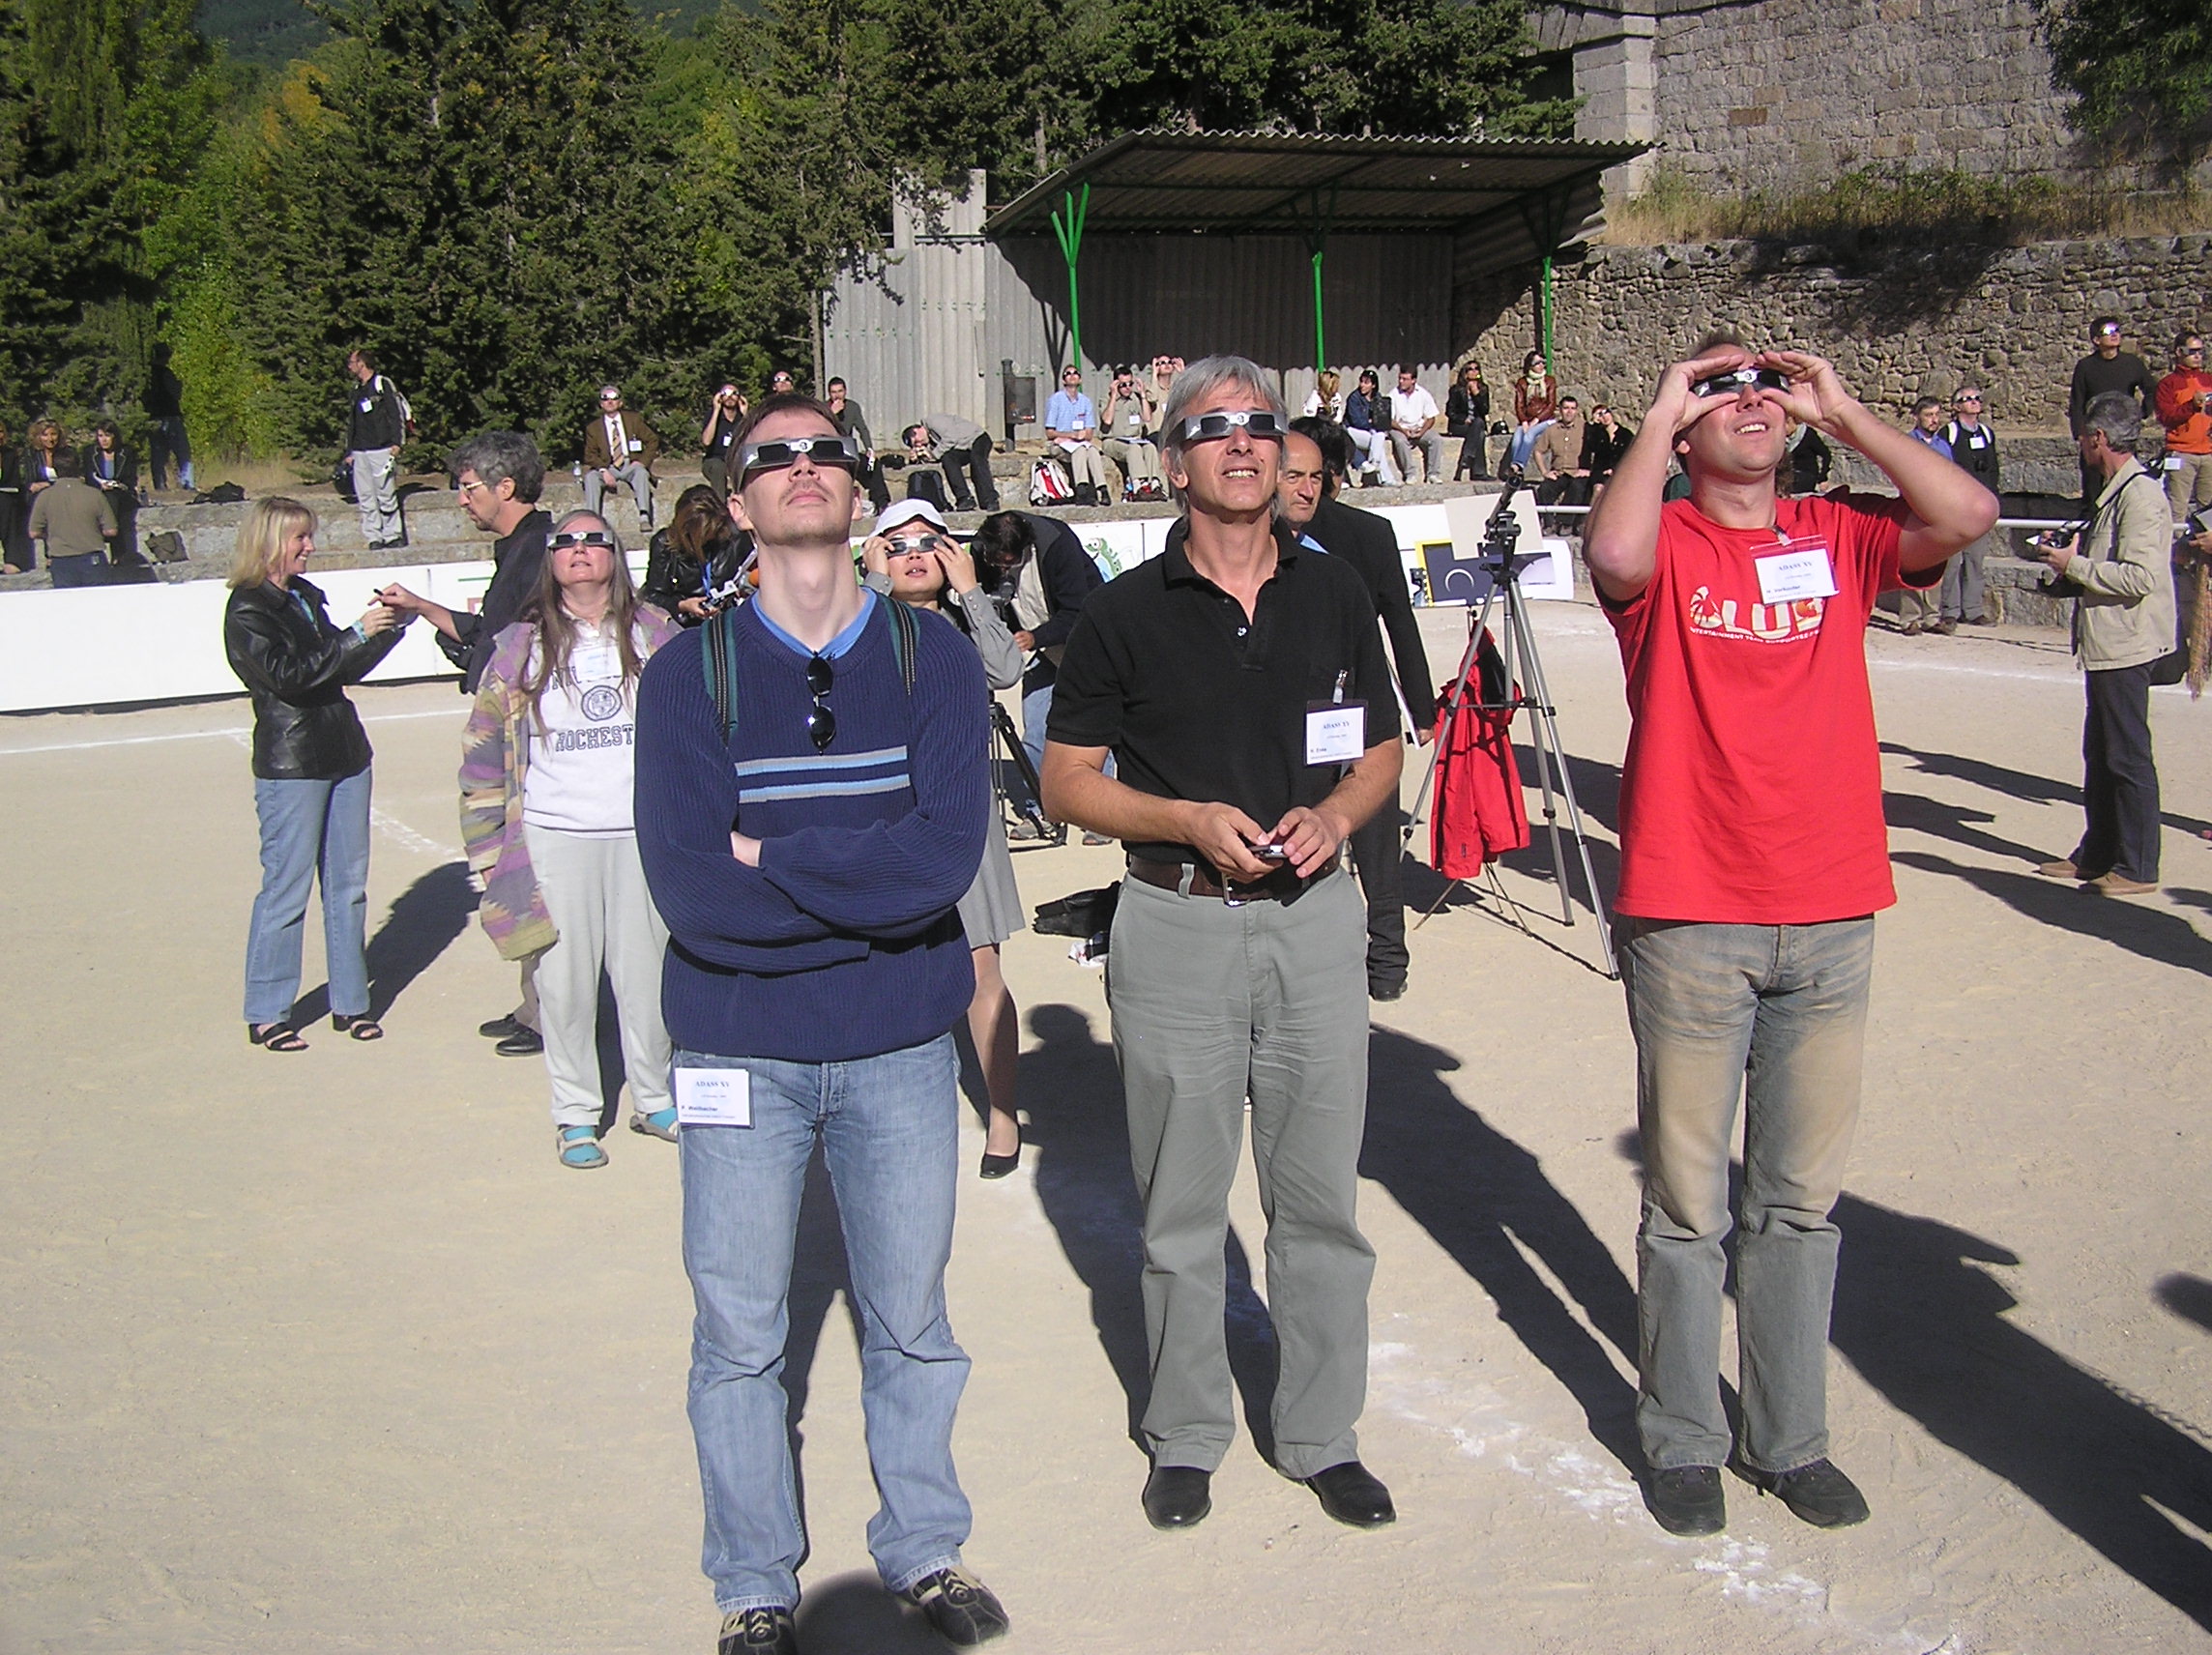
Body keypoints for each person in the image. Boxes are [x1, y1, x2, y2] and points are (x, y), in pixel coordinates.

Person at [1581, 336, 1997, 1538]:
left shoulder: (1836, 531)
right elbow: (1612, 556)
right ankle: (1681, 1438)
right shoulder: (1664, 538)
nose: (1749, 401)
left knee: (1797, 1203)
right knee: (1685, 1204)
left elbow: (1964, 513)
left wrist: (1845, 411)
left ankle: (1786, 1437)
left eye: (1763, 386)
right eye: (1718, 389)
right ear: (1683, 424)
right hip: (1691, 911)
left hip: (1828, 909)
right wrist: (1659, 412)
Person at [632, 392, 1006, 1654]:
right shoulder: (688, 673)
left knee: (911, 1319)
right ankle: (753, 1585)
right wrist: (865, 894)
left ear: (856, 490)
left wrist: (772, 857)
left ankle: (925, 1548)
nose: (803, 466)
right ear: (738, 501)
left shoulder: (930, 657)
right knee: (740, 1334)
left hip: (898, 1049)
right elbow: (692, 892)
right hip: (740, 1048)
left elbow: (942, 864)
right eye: (773, 456)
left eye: (825, 452)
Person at [1041, 355, 1405, 1535]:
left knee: (1319, 1205)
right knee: (1181, 1210)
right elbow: (1064, 780)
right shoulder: (1121, 612)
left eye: (1259, 423)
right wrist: (1183, 819)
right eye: (1213, 427)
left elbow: (1380, 750)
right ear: (1171, 460)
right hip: (1175, 924)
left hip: (1314, 924)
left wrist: (1336, 817)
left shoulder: (1334, 588)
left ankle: (1318, 1432)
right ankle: (1187, 1431)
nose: (1242, 442)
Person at [460, 511, 682, 1168]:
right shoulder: (518, 645)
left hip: (642, 834)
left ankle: (654, 1098)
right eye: (566, 542)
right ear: (550, 559)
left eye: (593, 540)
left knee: (647, 979)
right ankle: (576, 1114)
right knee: (563, 985)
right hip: (556, 836)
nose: (579, 551)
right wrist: (487, 850)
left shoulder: (657, 634)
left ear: (615, 554)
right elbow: (482, 752)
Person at [375, 431, 556, 1059]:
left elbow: (520, 648)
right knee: (518, 868)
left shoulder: (540, 551)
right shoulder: (522, 548)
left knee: (529, 871)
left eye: (469, 487)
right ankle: (536, 1004)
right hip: (514, 731)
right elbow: (491, 637)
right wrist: (423, 608)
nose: (461, 499)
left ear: (506, 487)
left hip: (531, 738)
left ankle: (550, 1012)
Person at [863, 499, 1028, 1176]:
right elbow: (844, 671)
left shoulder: (963, 624)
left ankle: (1002, 1115)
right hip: (885, 816)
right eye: (896, 544)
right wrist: (871, 588)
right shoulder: (859, 622)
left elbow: (1006, 671)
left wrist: (970, 592)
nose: (913, 556)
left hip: (962, 812)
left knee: (982, 967)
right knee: (885, 966)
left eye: (928, 542)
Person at [223, 497, 411, 1052]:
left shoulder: (304, 597)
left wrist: (385, 630)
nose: (309, 546)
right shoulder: (247, 609)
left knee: (348, 887)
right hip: (292, 762)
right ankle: (267, 1011)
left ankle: (351, 1002)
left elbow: (340, 668)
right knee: (286, 888)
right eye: (299, 537)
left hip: (344, 752)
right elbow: (291, 677)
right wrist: (355, 632)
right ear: (269, 542)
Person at [1288, 416, 1438, 999]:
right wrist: (1422, 708)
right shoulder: (1372, 532)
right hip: (1362, 702)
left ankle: (1322, 958)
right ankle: (1388, 961)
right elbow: (1402, 627)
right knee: (1376, 841)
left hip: (1305, 707)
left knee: (1305, 827)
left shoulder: (1272, 533)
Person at [2027, 391, 2176, 898]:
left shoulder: (2141, 496)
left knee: (2127, 756)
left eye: (2085, 436)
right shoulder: (2119, 490)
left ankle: (2137, 865)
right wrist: (2065, 572)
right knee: (2101, 753)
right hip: (2109, 641)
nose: (2081, 444)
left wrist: (2073, 564)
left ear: (2099, 437)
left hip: (2126, 643)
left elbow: (2139, 577)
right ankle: (2098, 853)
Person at [970, 508, 1102, 838]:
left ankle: (1098, 814)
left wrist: (1035, 637)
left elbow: (1078, 610)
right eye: (996, 562)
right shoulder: (981, 550)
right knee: (1036, 727)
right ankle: (1041, 809)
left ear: (1026, 548)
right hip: (1037, 652)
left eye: (1009, 562)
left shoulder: (1057, 544)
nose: (1002, 568)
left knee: (1094, 728)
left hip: (1082, 642)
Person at [2069, 317, 2154, 508]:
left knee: (2125, 481)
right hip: (2095, 434)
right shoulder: (2086, 366)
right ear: (2096, 339)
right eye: (2108, 331)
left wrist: (2141, 414)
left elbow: (2152, 390)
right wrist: (2080, 433)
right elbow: (2077, 402)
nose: (2114, 334)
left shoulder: (2132, 363)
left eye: (2117, 330)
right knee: (2093, 488)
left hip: (2122, 433)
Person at [644, 483, 753, 624]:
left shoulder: (734, 537)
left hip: (728, 617)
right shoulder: (665, 544)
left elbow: (752, 573)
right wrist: (682, 605)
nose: (708, 535)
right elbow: (652, 596)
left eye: (714, 528)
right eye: (703, 531)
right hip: (686, 623)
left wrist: (742, 589)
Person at [1938, 386, 1999, 627]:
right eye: (1968, 399)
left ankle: (1973, 610)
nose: (1974, 402)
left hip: (1979, 508)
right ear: (1956, 406)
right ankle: (1949, 610)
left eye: (1977, 398)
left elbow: (1993, 468)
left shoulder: (1986, 433)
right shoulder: (1949, 433)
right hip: (1956, 507)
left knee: (1975, 560)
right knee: (1952, 562)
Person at [1897, 399, 1955, 636]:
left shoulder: (1943, 446)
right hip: (1913, 508)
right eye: (1929, 415)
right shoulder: (1907, 444)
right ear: (1917, 417)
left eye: (1937, 415)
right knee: (1911, 563)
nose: (1934, 419)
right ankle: (1909, 618)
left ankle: (1932, 617)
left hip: (1938, 510)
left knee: (1935, 561)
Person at [344, 348, 409, 550]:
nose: (349, 366)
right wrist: (349, 450)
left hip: (381, 448)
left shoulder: (382, 384)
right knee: (365, 496)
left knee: (385, 493)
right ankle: (374, 536)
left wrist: (397, 442)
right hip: (360, 451)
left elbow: (396, 413)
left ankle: (393, 534)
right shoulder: (356, 389)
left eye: (352, 362)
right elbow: (352, 422)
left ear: (361, 363)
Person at [26, 450, 117, 586]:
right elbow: (111, 531)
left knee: (67, 598)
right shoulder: (95, 494)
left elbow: (34, 532)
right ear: (78, 468)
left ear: (55, 470)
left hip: (61, 560)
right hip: (92, 557)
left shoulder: (45, 497)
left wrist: (53, 534)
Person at [581, 385, 660, 530]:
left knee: (641, 473)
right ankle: (593, 521)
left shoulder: (633, 420)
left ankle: (644, 516)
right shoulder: (593, 428)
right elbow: (590, 454)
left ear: (620, 402)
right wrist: (603, 470)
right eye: (605, 399)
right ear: (601, 404)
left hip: (630, 464)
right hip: (608, 466)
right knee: (591, 478)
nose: (610, 402)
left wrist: (642, 462)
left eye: (614, 398)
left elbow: (652, 440)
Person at [2154, 330, 2211, 525]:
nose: (2197, 356)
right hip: (2181, 453)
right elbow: (2166, 417)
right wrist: (2191, 406)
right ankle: (2174, 545)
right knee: (2177, 508)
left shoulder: (2208, 380)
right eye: (2192, 351)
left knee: (2208, 511)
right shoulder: (2168, 384)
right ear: (2179, 352)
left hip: (2208, 452)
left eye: (2201, 351)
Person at [1044, 365, 1112, 506]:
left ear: (1080, 379)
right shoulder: (1055, 400)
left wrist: (1081, 436)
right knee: (1080, 450)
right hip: (1059, 444)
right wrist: (1071, 435)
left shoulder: (1085, 402)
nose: (1072, 375)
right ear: (1064, 380)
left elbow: (1089, 433)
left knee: (1092, 450)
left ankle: (1102, 489)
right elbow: (1049, 432)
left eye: (1075, 373)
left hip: (1079, 443)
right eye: (1068, 373)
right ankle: (1082, 490)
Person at [906, 412, 1000, 512]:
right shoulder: (931, 441)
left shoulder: (932, 421)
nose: (919, 444)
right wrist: (918, 459)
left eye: (916, 441)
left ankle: (990, 500)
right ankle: (964, 498)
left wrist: (933, 454)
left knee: (977, 460)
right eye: (915, 445)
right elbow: (938, 455)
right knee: (948, 459)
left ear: (918, 430)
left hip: (977, 438)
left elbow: (951, 438)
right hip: (963, 448)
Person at [825, 378, 891, 512]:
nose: (837, 396)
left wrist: (869, 448)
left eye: (840, 391)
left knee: (872, 465)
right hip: (829, 452)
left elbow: (862, 429)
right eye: (833, 392)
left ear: (845, 391)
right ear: (829, 394)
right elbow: (821, 431)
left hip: (848, 452)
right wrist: (832, 414)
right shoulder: (824, 409)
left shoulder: (852, 407)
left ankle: (882, 503)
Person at [81, 421, 142, 566]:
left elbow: (130, 478)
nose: (104, 440)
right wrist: (100, 485)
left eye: (107, 436)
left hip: (121, 493)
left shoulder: (126, 452)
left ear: (114, 436)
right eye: (100, 436)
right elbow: (89, 476)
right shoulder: (90, 452)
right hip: (98, 491)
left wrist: (117, 485)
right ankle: (114, 547)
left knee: (113, 499)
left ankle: (113, 541)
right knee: (106, 500)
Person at [1102, 365, 1166, 499]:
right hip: (1113, 440)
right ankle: (1138, 486)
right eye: (1123, 385)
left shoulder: (1135, 398)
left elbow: (1147, 417)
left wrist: (1143, 395)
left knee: (1150, 448)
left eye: (1130, 384)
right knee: (1134, 449)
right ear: (1116, 384)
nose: (1127, 388)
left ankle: (1155, 484)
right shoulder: (1107, 399)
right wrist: (1113, 396)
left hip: (1135, 439)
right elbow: (1107, 420)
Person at [145, 342, 193, 492]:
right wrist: (179, 385)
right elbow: (176, 393)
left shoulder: (146, 375)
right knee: (183, 453)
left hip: (153, 417)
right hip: (170, 416)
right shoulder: (166, 373)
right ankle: (187, 483)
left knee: (158, 455)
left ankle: (160, 485)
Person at [1386, 365, 1444, 485]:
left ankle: (1433, 474)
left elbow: (1431, 417)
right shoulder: (1393, 395)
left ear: (1413, 380)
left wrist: (1421, 431)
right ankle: (1410, 474)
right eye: (1400, 378)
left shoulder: (1423, 394)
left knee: (1436, 439)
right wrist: (1404, 431)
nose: (1401, 381)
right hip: (1399, 428)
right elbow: (1390, 420)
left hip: (1418, 427)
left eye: (1405, 379)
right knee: (1400, 441)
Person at [1532, 393, 1592, 505]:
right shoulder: (1552, 430)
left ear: (1576, 411)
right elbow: (1538, 451)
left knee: (1576, 490)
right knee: (1544, 490)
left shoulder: (1586, 428)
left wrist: (1590, 471)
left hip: (1578, 473)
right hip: (1559, 474)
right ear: (1560, 410)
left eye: (1572, 408)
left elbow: (1599, 450)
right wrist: (1545, 472)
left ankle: (1565, 517)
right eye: (1566, 408)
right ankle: (1547, 517)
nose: (1569, 412)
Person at [1342, 369, 1397, 485]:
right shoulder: (1354, 398)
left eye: (1366, 383)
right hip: (1352, 431)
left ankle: (1375, 464)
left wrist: (1375, 423)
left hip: (1371, 431)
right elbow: (1357, 422)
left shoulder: (1377, 397)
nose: (1362, 385)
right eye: (1361, 382)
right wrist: (1372, 423)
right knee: (1378, 442)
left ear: (1373, 385)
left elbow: (1381, 417)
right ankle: (1386, 477)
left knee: (1380, 436)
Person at [1508, 350, 1558, 472]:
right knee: (1517, 439)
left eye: (1543, 363)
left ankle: (1518, 464)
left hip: (1546, 419)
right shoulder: (1523, 382)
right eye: (1537, 363)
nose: (1541, 365)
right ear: (1530, 365)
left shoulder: (1549, 381)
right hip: (1528, 419)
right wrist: (1524, 421)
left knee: (1529, 435)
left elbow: (1551, 404)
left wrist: (1537, 420)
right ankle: (1516, 471)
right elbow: (1519, 405)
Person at [700, 384, 748, 496]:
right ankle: (720, 503)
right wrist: (716, 411)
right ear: (720, 397)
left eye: (734, 394)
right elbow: (706, 441)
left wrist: (745, 415)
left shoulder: (742, 418)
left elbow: (752, 439)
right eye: (725, 393)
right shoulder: (713, 416)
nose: (730, 397)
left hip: (735, 460)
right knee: (718, 467)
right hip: (714, 460)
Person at [1582, 401, 1635, 502]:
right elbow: (1590, 446)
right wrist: (1594, 424)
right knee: (1598, 489)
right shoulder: (1597, 435)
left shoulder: (1625, 434)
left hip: (1620, 471)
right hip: (1601, 472)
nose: (1604, 417)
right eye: (1599, 415)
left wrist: (1614, 469)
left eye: (1606, 412)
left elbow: (1631, 455)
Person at [1446, 362, 1491, 480]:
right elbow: (1450, 412)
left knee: (1479, 427)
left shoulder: (1483, 389)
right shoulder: (1456, 390)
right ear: (1465, 373)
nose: (1474, 371)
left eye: (1476, 368)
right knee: (1479, 432)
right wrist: (1463, 419)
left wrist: (1476, 394)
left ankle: (1467, 457)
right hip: (1460, 425)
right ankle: (1479, 472)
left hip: (1476, 425)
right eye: (1470, 369)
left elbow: (1485, 410)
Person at [1782, 418, 1833, 498]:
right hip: (1789, 473)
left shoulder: (1808, 435)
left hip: (1806, 474)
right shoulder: (1781, 438)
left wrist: (1823, 478)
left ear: (1794, 422)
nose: (1784, 428)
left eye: (1787, 423)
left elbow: (1826, 455)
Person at [0, 421, 27, 574]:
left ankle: (12, 560)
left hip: (6, 495)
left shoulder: (10, 454)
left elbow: (14, 480)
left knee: (7, 505)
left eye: (0, 432)